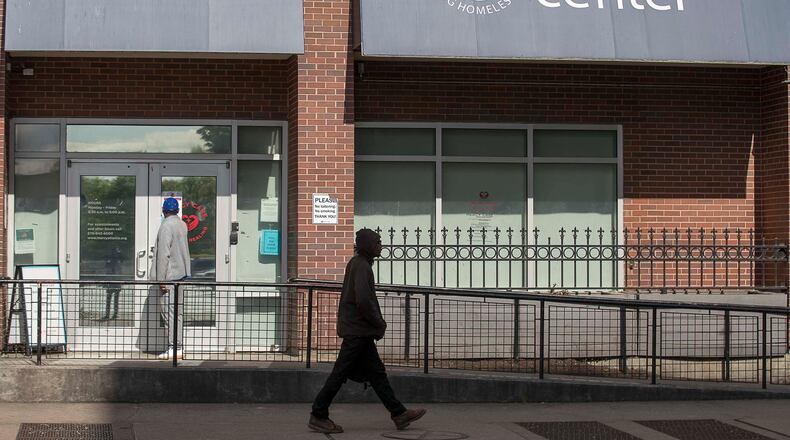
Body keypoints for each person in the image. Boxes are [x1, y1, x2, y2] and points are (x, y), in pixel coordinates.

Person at [308, 228, 426, 434]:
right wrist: (379, 323)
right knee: (340, 373)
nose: (381, 245)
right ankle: (318, 414)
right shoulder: (361, 266)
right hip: (358, 331)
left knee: (377, 374)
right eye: (377, 242)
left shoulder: (359, 264)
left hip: (358, 331)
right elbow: (364, 301)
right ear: (367, 245)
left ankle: (399, 413)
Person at [153, 197, 191, 360]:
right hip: (181, 276)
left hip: (169, 278)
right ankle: (179, 347)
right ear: (177, 211)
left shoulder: (166, 226)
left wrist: (161, 279)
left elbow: (163, 255)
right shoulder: (182, 225)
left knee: (169, 314)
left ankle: (172, 348)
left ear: (164, 210)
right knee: (178, 313)